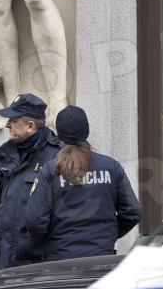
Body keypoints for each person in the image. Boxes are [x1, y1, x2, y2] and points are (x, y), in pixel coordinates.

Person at [23, 105, 142, 260]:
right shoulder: (111, 167)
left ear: (59, 134)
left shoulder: (50, 170)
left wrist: (50, 242)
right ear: (86, 131)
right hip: (101, 258)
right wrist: (107, 236)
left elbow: (35, 221)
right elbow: (133, 212)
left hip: (60, 261)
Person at [0, 93, 61, 270]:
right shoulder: (3, 154)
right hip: (3, 255)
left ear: (30, 125)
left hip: (40, 260)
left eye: (13, 120)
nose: (7, 125)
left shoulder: (57, 156)